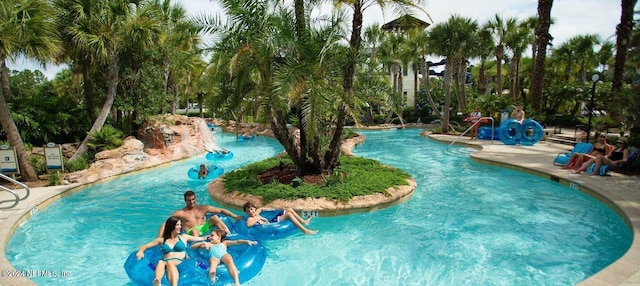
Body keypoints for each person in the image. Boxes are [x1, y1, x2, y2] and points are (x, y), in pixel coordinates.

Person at [137, 216, 203, 286]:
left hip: (180, 262)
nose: (180, 227)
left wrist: (211, 237)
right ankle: (157, 281)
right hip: (166, 262)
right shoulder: (162, 240)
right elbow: (144, 246)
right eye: (177, 225)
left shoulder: (184, 237)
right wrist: (140, 251)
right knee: (160, 262)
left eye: (180, 225)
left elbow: (201, 238)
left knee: (169, 262)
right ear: (171, 226)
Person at [159, 191, 240, 237]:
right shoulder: (181, 213)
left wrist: (235, 216)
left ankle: (229, 235)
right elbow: (166, 222)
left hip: (204, 228)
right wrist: (159, 237)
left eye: (193, 199)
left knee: (214, 217)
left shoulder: (203, 208)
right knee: (194, 231)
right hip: (192, 232)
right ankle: (198, 248)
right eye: (189, 200)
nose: (191, 202)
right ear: (185, 201)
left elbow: (221, 210)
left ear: (195, 199)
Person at [191, 229, 258, 285]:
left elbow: (236, 242)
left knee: (229, 259)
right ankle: (212, 281)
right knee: (212, 262)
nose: (209, 237)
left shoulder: (224, 243)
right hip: (214, 257)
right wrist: (202, 243)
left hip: (223, 255)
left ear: (219, 237)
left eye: (212, 235)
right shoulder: (209, 245)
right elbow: (193, 247)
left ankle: (236, 282)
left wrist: (247, 241)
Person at [242, 201, 318, 235]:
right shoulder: (250, 218)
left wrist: (272, 209)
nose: (251, 212)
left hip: (271, 221)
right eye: (248, 211)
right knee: (288, 214)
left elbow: (261, 208)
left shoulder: (256, 212)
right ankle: (304, 230)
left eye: (251, 209)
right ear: (246, 213)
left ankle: (304, 222)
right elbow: (248, 225)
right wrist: (258, 219)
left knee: (289, 209)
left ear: (254, 208)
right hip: (271, 225)